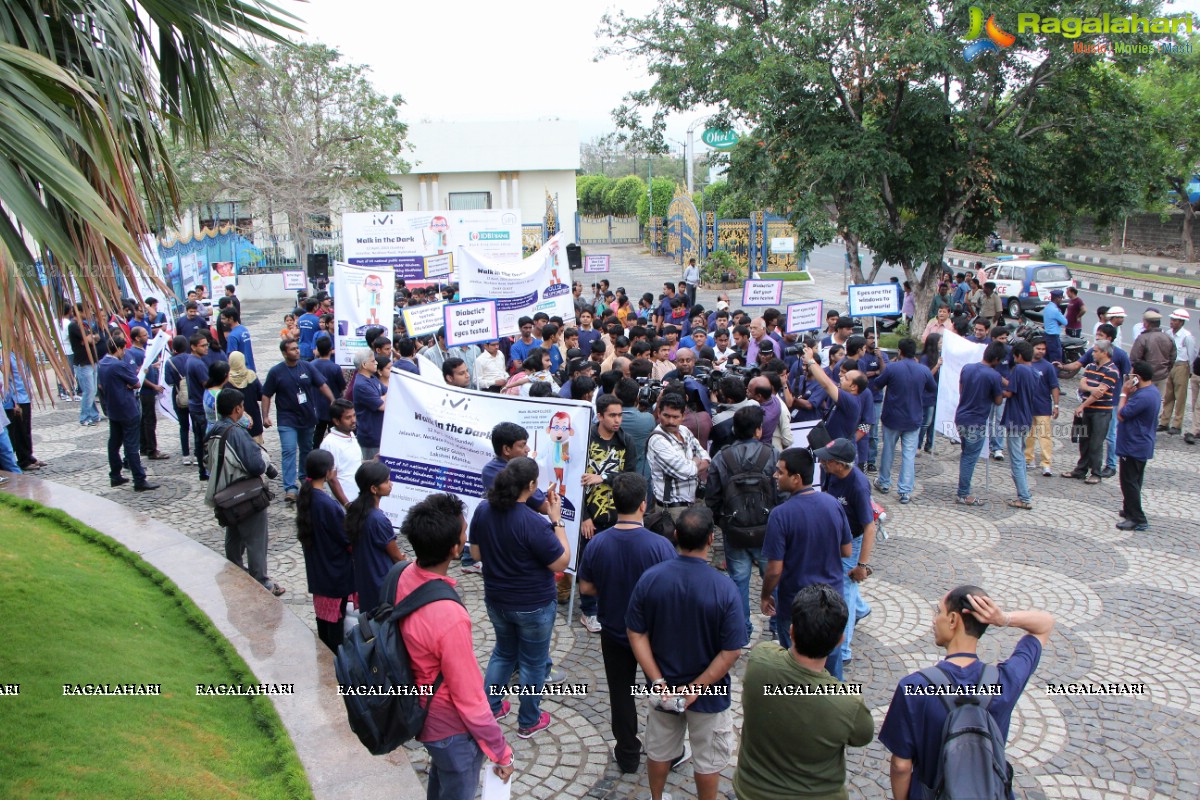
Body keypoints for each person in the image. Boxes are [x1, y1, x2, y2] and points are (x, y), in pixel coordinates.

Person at [878, 586, 1055, 800]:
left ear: (953, 620)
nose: (934, 620)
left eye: (938, 612)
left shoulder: (914, 687)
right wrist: (1003, 618)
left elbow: (901, 765)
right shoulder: (1004, 682)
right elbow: (1044, 624)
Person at [395, 493, 517, 799]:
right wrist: (500, 751)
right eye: (464, 531)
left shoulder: (403, 575)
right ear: (454, 548)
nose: (467, 535)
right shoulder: (449, 617)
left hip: (420, 711)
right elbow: (469, 697)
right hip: (448, 726)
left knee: (441, 778)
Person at [626, 507, 745, 800]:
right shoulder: (725, 588)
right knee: (708, 760)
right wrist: (696, 688)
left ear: (675, 536)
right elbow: (732, 651)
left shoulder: (651, 579)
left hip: (664, 689)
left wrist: (657, 680)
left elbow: (635, 633)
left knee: (659, 750)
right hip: (710, 694)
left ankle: (657, 797)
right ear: (711, 539)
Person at [577, 473, 678, 774]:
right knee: (660, 690)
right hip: (653, 635)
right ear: (643, 504)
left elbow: (585, 588)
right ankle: (666, 751)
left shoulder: (598, 544)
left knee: (620, 693)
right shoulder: (660, 547)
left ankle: (627, 753)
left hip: (613, 630)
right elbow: (671, 591)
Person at [734, 584, 874, 800]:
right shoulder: (847, 703)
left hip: (750, 791)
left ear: (791, 631)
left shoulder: (760, 659)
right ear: (839, 641)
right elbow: (862, 735)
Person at [470, 457, 568, 739]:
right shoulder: (533, 523)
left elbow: (476, 555)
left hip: (497, 600)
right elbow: (561, 562)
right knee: (533, 663)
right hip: (533, 605)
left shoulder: (483, 510)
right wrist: (556, 518)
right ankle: (529, 719)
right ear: (532, 485)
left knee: (503, 652)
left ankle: (490, 707)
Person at [761, 447, 852, 677]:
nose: (775, 476)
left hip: (795, 605)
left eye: (780, 472)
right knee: (832, 667)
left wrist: (765, 595)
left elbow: (774, 570)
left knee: (794, 670)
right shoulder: (833, 504)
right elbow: (847, 550)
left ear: (796, 478)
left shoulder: (780, 515)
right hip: (832, 600)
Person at [706, 405, 778, 641]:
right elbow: (782, 493)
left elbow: (712, 497)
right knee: (774, 576)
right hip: (768, 530)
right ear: (758, 430)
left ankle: (742, 631)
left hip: (734, 531)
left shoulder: (721, 457)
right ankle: (777, 625)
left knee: (738, 581)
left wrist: (723, 523)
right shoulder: (772, 455)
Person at [204, 387, 282, 594]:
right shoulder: (236, 433)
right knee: (256, 538)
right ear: (237, 409)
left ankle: (234, 569)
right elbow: (256, 465)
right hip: (244, 493)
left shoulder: (215, 428)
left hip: (226, 492)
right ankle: (261, 581)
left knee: (234, 534)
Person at [814, 438, 876, 664]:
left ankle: (845, 650)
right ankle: (861, 610)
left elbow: (870, 527)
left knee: (845, 589)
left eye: (827, 460)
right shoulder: (830, 474)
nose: (821, 462)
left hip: (853, 540)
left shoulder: (858, 485)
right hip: (835, 537)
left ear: (840, 464)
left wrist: (861, 565)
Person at [578, 395, 632, 633]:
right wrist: (583, 516)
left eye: (620, 415)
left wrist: (605, 477)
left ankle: (610, 606)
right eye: (612, 415)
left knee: (616, 564)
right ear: (599, 416)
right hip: (592, 514)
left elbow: (631, 476)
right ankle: (588, 611)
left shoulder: (625, 441)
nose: (617, 420)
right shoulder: (584, 439)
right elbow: (573, 480)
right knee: (589, 564)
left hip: (617, 515)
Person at [262, 338, 335, 503]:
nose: (297, 351)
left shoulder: (307, 367)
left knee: (306, 450)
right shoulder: (276, 372)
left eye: (297, 348)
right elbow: (266, 394)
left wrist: (332, 400)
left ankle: (304, 478)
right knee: (288, 450)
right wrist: (265, 416)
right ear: (284, 353)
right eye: (293, 349)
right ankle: (290, 487)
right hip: (286, 419)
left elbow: (321, 384)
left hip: (307, 417)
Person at [296, 450, 354, 650]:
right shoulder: (327, 504)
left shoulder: (306, 496)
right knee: (335, 621)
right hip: (334, 572)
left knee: (323, 618)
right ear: (329, 473)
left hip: (318, 569)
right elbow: (345, 538)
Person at [871, 338, 937, 504]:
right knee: (908, 455)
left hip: (892, 417)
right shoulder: (923, 370)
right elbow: (932, 388)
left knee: (888, 450)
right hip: (913, 418)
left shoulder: (892, 368)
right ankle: (905, 491)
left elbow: (877, 385)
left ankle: (884, 482)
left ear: (899, 351)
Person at [97, 337, 159, 492]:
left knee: (114, 442)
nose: (124, 352)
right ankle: (139, 479)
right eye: (123, 349)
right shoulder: (118, 365)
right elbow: (136, 383)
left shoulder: (102, 363)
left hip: (113, 408)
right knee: (131, 445)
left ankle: (115, 474)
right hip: (127, 408)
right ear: (118, 348)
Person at [347, 460, 406, 614]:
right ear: (374, 488)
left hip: (365, 580)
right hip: (382, 583)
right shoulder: (378, 520)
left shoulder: (356, 510)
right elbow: (396, 557)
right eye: (386, 481)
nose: (391, 484)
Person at [954, 342, 1006, 506]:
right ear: (996, 359)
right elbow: (998, 401)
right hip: (976, 422)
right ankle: (963, 493)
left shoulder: (967, 368)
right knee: (969, 457)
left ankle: (963, 490)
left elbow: (961, 390)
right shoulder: (994, 376)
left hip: (961, 417)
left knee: (966, 454)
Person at [1062, 340, 1121, 484]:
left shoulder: (1112, 370)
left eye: (1095, 351)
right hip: (1088, 410)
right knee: (1084, 440)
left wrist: (1083, 405)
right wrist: (1091, 389)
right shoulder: (1091, 366)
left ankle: (1096, 473)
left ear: (1104, 353)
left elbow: (1099, 394)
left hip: (1101, 411)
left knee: (1096, 442)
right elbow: (1082, 384)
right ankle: (1081, 470)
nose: (1092, 353)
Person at [646, 393, 710, 520]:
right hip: (672, 509)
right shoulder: (657, 440)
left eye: (675, 417)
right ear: (659, 413)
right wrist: (696, 462)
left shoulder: (684, 431)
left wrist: (693, 463)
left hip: (693, 503)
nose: (670, 421)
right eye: (666, 416)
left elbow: (706, 458)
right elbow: (685, 471)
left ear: (683, 416)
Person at [1116, 361, 1162, 531]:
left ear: (1138, 378)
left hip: (1134, 445)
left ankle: (1137, 518)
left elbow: (1121, 414)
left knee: (1129, 482)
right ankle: (1129, 509)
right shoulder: (1152, 392)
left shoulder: (1143, 396)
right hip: (1141, 443)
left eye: (1132, 375)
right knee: (1135, 480)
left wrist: (1123, 394)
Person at [1001, 341, 1038, 510]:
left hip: (1015, 418)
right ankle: (1024, 495)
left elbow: (1009, 392)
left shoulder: (1020, 369)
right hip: (1025, 418)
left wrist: (995, 386)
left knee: (1016, 458)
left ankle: (1023, 497)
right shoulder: (1033, 372)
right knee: (1020, 457)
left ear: (1019, 356)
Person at [1024, 339, 1060, 477]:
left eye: (1043, 349)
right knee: (1029, 435)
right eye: (1038, 348)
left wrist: (1056, 405)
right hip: (1028, 406)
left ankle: (1046, 464)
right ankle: (1029, 459)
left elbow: (1054, 386)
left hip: (1043, 407)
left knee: (1045, 436)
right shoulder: (1025, 364)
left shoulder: (1048, 367)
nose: (1040, 351)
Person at [1159, 309, 1196, 435]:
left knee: (1180, 396)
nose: (1172, 322)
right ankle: (1164, 421)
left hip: (1182, 365)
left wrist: (1189, 369)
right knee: (1168, 395)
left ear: (1181, 322)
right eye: (1171, 320)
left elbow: (1191, 354)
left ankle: (1177, 424)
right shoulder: (1169, 333)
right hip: (1171, 364)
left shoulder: (1187, 336)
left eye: (1175, 320)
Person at [320, 399, 361, 507]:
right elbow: (332, 478)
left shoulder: (351, 435)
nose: (353, 420)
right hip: (345, 503)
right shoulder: (330, 444)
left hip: (358, 499)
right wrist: (346, 504)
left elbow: (352, 464)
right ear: (337, 421)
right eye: (348, 417)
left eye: (354, 415)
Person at [67, 304, 102, 426]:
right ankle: (85, 417)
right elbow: (88, 339)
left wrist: (91, 338)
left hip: (91, 361)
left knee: (93, 390)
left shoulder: (85, 325)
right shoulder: (74, 326)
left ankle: (94, 415)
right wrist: (90, 338)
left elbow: (95, 338)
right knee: (89, 391)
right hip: (83, 363)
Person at [1129, 310, 1176, 398]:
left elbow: (1134, 360)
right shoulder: (1168, 337)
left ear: (1147, 324)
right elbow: (1172, 358)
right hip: (1162, 376)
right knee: (1157, 402)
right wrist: (1166, 371)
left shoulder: (1143, 338)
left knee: (1142, 401)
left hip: (1145, 378)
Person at [309, 338, 344, 447]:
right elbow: (342, 385)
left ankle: (315, 451)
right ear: (330, 350)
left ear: (317, 350)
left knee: (318, 433)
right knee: (334, 432)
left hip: (316, 404)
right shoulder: (335, 367)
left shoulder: (311, 365)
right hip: (332, 405)